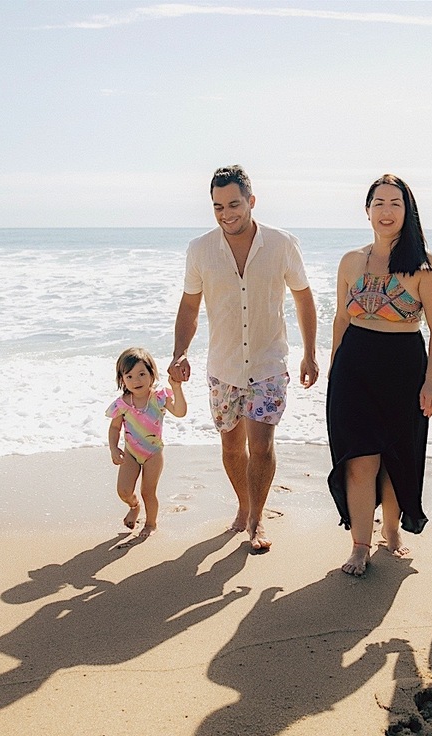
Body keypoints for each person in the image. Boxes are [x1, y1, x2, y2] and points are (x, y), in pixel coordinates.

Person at [169, 165, 319, 552]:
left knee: (262, 446)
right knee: (232, 448)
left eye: (234, 204)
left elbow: (303, 296)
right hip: (223, 367)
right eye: (218, 206)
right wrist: (179, 351)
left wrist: (310, 353)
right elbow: (189, 305)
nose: (226, 213)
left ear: (251, 201)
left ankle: (256, 519)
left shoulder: (282, 244)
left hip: (269, 365)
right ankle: (243, 503)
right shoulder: (200, 249)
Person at [327, 174, 432, 576]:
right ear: (367, 210)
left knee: (397, 458)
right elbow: (341, 318)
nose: (386, 211)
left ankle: (392, 531)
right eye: (378, 203)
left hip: (403, 368)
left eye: (395, 203)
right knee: (359, 461)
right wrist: (332, 367)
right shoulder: (350, 261)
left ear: (407, 210)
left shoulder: (423, 267)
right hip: (353, 369)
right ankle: (360, 545)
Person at [107, 347, 187, 544]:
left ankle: (150, 524)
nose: (137, 380)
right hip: (131, 453)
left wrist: (176, 388)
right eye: (130, 376)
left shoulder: (158, 398)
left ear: (152, 374)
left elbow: (180, 412)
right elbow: (114, 428)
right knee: (124, 491)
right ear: (122, 379)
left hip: (153, 453)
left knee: (147, 491)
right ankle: (134, 507)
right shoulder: (122, 404)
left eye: (142, 374)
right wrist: (113, 447)